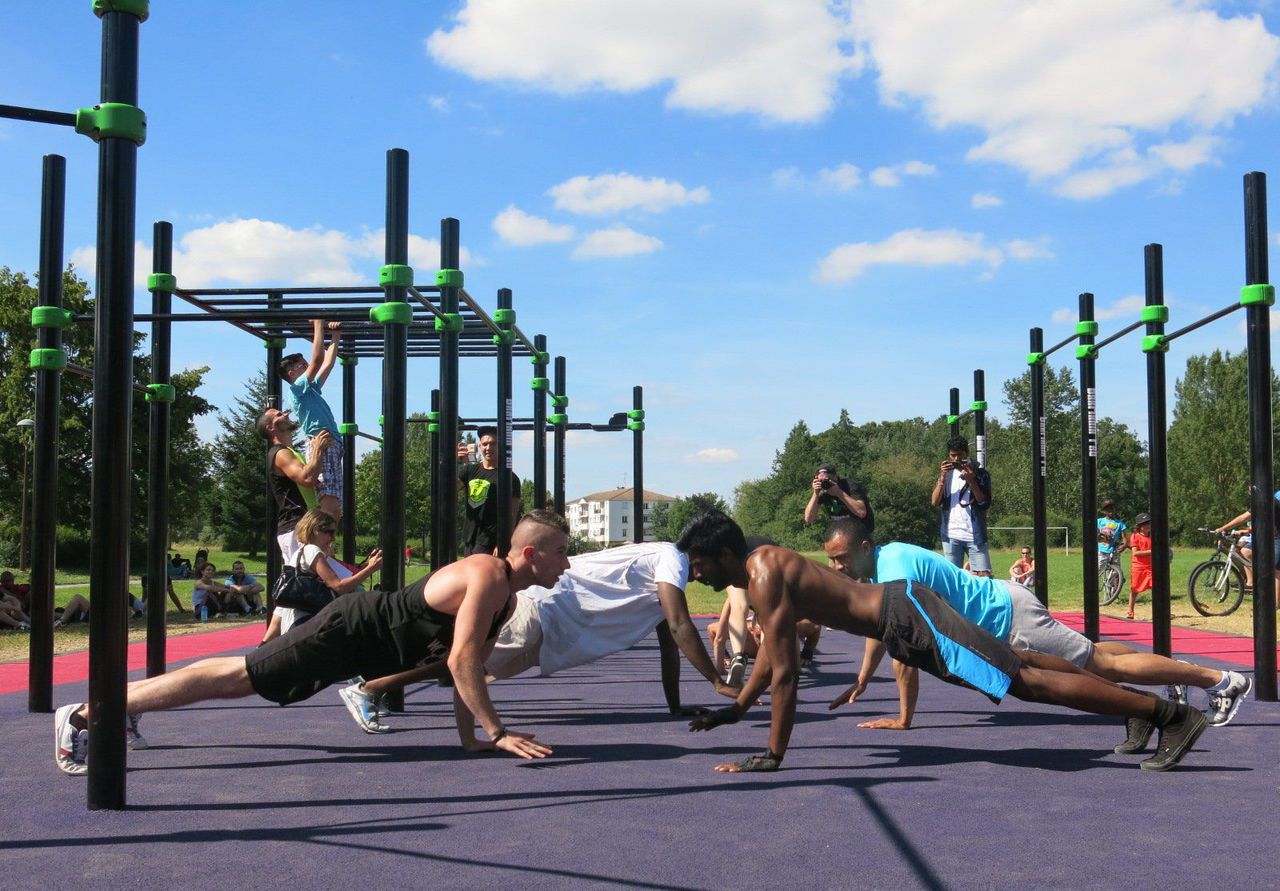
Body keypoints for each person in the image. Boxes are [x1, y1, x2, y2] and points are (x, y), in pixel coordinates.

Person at [681, 511, 1208, 774]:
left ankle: (1169, 716)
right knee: (1019, 661)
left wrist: (773, 753)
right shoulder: (763, 566)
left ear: (720, 552)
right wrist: (736, 711)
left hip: (906, 618)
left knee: (1022, 682)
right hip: (903, 613)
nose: (696, 573)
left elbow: (785, 670)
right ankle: (1144, 710)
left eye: (699, 563)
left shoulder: (764, 575)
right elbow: (773, 662)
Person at [53, 510, 571, 776]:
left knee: (244, 679)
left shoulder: (505, 599)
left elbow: (467, 672)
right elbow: (460, 660)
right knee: (242, 677)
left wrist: (471, 739)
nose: (567, 563)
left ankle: (121, 707)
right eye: (562, 554)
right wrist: (498, 732)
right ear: (532, 552)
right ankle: (82, 713)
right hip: (348, 628)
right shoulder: (487, 575)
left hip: (358, 646)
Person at [822, 516, 1251, 732]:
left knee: (1105, 665)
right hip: (1007, 608)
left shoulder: (894, 570)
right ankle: (1177, 673)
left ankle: (1218, 679)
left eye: (841, 558)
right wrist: (862, 680)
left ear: (863, 546)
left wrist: (904, 718)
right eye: (830, 559)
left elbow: (904, 653)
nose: (835, 566)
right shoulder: (884, 565)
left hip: (1008, 620)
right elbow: (882, 629)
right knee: (1097, 657)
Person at [336, 540, 738, 735]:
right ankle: (369, 688)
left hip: (551, 629)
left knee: (465, 665)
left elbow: (670, 641)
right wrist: (717, 682)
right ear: (699, 557)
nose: (701, 578)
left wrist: (675, 704)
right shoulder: (671, 559)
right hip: (544, 609)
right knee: (465, 662)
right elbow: (682, 627)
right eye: (705, 571)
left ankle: (371, 688)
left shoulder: (665, 580)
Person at [257, 406, 329, 642]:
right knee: (298, 585)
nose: (286, 414)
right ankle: (287, 645)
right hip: (294, 528)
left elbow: (306, 481)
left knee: (294, 584)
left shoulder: (289, 452)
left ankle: (267, 645)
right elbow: (307, 478)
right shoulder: (280, 453)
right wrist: (317, 451)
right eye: (279, 415)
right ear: (271, 427)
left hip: (299, 527)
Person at [279, 319, 344, 520]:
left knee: (334, 505)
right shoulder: (297, 388)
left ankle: (326, 543)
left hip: (330, 442)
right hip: (321, 442)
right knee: (328, 501)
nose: (308, 366)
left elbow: (327, 364)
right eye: (302, 365)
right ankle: (320, 540)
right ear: (292, 373)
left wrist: (335, 336)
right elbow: (317, 360)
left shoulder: (310, 389)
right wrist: (318, 324)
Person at [281, 509, 382, 632]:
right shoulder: (312, 550)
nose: (333, 538)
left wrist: (367, 565)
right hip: (305, 624)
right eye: (329, 532)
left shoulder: (302, 551)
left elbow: (346, 577)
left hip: (297, 623)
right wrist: (371, 568)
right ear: (314, 529)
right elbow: (338, 586)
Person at [930, 435, 992, 576]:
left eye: (959, 455)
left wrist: (971, 480)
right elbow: (934, 502)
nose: (956, 459)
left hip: (974, 536)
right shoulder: (947, 476)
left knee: (984, 579)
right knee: (952, 581)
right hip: (951, 536)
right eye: (953, 455)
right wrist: (942, 478)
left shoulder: (981, 474)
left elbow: (984, 503)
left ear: (967, 453)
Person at [457, 426, 521, 556]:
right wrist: (454, 462)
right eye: (485, 444)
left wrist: (503, 542)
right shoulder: (470, 471)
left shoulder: (509, 478)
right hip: (470, 537)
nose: (488, 448)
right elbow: (450, 490)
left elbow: (512, 515)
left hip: (491, 540)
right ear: (479, 446)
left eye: (493, 443)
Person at [803, 463, 873, 531]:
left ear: (835, 477)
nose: (824, 483)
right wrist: (816, 493)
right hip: (841, 533)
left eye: (826, 480)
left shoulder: (849, 486)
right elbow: (808, 519)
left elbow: (861, 512)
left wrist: (839, 493)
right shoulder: (821, 491)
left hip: (860, 531)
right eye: (821, 481)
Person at [1128, 512, 1153, 620]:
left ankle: (1159, 611)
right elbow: (1135, 553)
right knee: (1135, 590)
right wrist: (1151, 551)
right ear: (1139, 526)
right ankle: (1130, 611)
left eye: (1148, 523)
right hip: (1138, 567)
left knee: (1156, 588)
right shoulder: (1135, 537)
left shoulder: (1153, 537)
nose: (1147, 525)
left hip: (1150, 567)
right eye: (1144, 524)